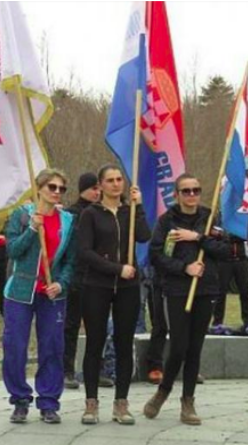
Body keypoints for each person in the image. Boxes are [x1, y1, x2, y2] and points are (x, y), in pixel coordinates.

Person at [143, 174, 229, 425]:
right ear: (177, 194)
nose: (192, 195)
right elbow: (156, 256)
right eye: (186, 191)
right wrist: (184, 268)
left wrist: (198, 238)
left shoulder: (210, 218)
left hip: (206, 290)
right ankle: (163, 391)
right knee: (179, 345)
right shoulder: (166, 221)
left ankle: (188, 400)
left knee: (195, 348)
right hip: (177, 290)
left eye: (196, 190)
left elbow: (225, 251)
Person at [77, 164, 151, 425]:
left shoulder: (130, 213)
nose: (116, 184)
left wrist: (139, 205)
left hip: (128, 288)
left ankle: (121, 403)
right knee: (95, 342)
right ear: (100, 185)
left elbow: (145, 236)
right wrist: (118, 268)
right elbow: (85, 252)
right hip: (97, 284)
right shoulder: (90, 214)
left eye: (119, 179)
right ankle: (91, 403)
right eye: (110, 180)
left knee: (123, 343)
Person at [3, 169, 76, 424]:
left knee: (53, 347)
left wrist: (61, 283)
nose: (56, 192)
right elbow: (13, 250)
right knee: (15, 347)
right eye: (51, 187)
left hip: (52, 294)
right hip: (20, 292)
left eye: (61, 188)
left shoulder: (67, 220)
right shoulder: (21, 216)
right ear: (39, 188)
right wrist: (32, 229)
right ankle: (20, 399)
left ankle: (48, 402)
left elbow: (70, 261)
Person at [63, 172, 99, 390]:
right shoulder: (71, 214)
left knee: (98, 326)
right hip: (76, 275)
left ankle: (96, 368)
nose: (97, 192)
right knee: (71, 325)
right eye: (93, 188)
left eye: (99, 188)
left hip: (98, 276)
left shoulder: (102, 211)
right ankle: (66, 369)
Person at [213, 233, 248, 329]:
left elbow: (245, 236)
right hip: (224, 261)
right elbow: (218, 237)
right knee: (220, 293)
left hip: (241, 260)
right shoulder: (221, 221)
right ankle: (217, 322)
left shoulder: (240, 222)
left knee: (245, 292)